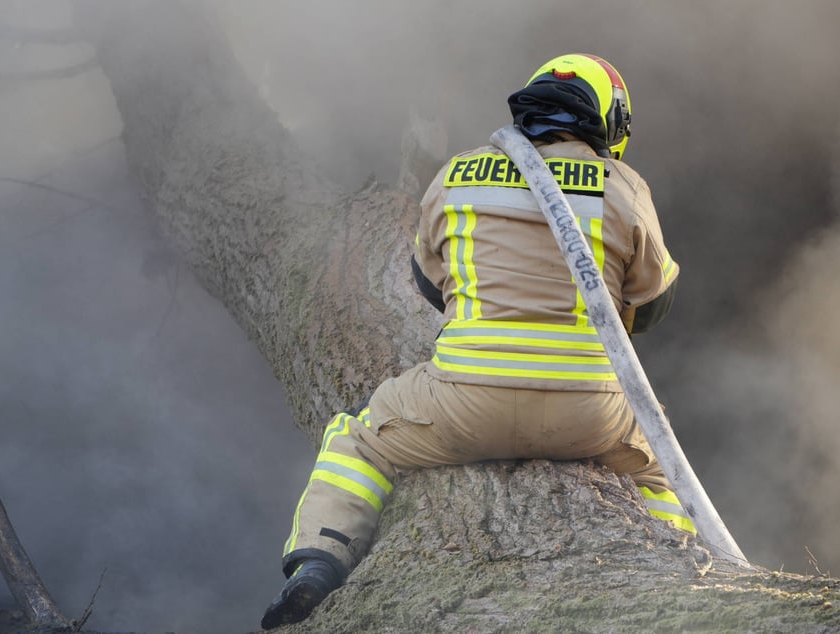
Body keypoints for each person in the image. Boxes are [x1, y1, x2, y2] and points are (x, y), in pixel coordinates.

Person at [260, 53, 689, 630]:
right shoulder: (624, 187)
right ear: (608, 123)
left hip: (463, 406)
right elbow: (651, 302)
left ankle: (317, 563)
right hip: (590, 416)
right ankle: (683, 575)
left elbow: (429, 279)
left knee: (358, 438)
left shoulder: (458, 174)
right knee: (664, 467)